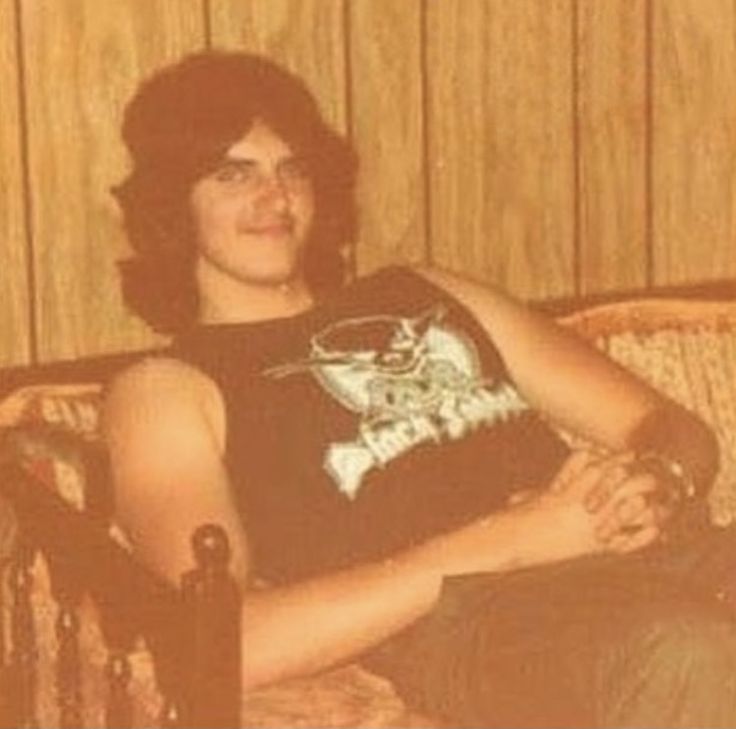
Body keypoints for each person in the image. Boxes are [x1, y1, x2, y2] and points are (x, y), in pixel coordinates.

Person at [104, 51, 736, 727]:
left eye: (292, 169)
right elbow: (224, 644)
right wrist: (514, 538)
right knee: (689, 651)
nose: (276, 196)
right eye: (234, 174)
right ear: (173, 204)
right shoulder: (164, 388)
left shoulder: (426, 290)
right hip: (488, 621)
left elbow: (672, 430)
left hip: (643, 552)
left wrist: (657, 479)